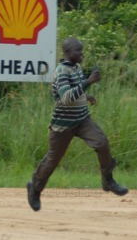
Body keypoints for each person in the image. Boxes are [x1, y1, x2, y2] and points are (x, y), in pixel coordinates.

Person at [27, 37, 128, 211]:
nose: (82, 54)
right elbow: (66, 98)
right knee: (53, 159)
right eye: (78, 51)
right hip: (63, 124)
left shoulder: (76, 68)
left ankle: (107, 180)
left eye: (81, 50)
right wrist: (88, 82)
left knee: (102, 143)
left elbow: (75, 90)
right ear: (67, 53)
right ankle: (35, 188)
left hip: (82, 119)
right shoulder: (61, 71)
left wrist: (85, 96)